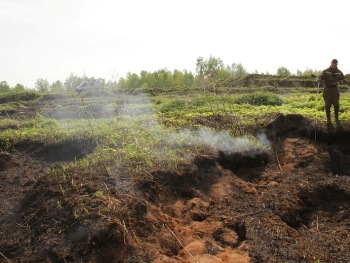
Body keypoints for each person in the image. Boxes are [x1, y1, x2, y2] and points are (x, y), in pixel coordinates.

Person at [318, 59, 345, 126]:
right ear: (331, 63)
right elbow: (321, 77)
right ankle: (328, 120)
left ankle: (336, 118)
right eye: (332, 65)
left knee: (336, 105)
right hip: (327, 89)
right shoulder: (326, 71)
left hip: (335, 90)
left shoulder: (339, 72)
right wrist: (319, 79)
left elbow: (343, 80)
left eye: (335, 65)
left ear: (337, 64)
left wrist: (339, 82)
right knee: (327, 105)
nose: (333, 66)